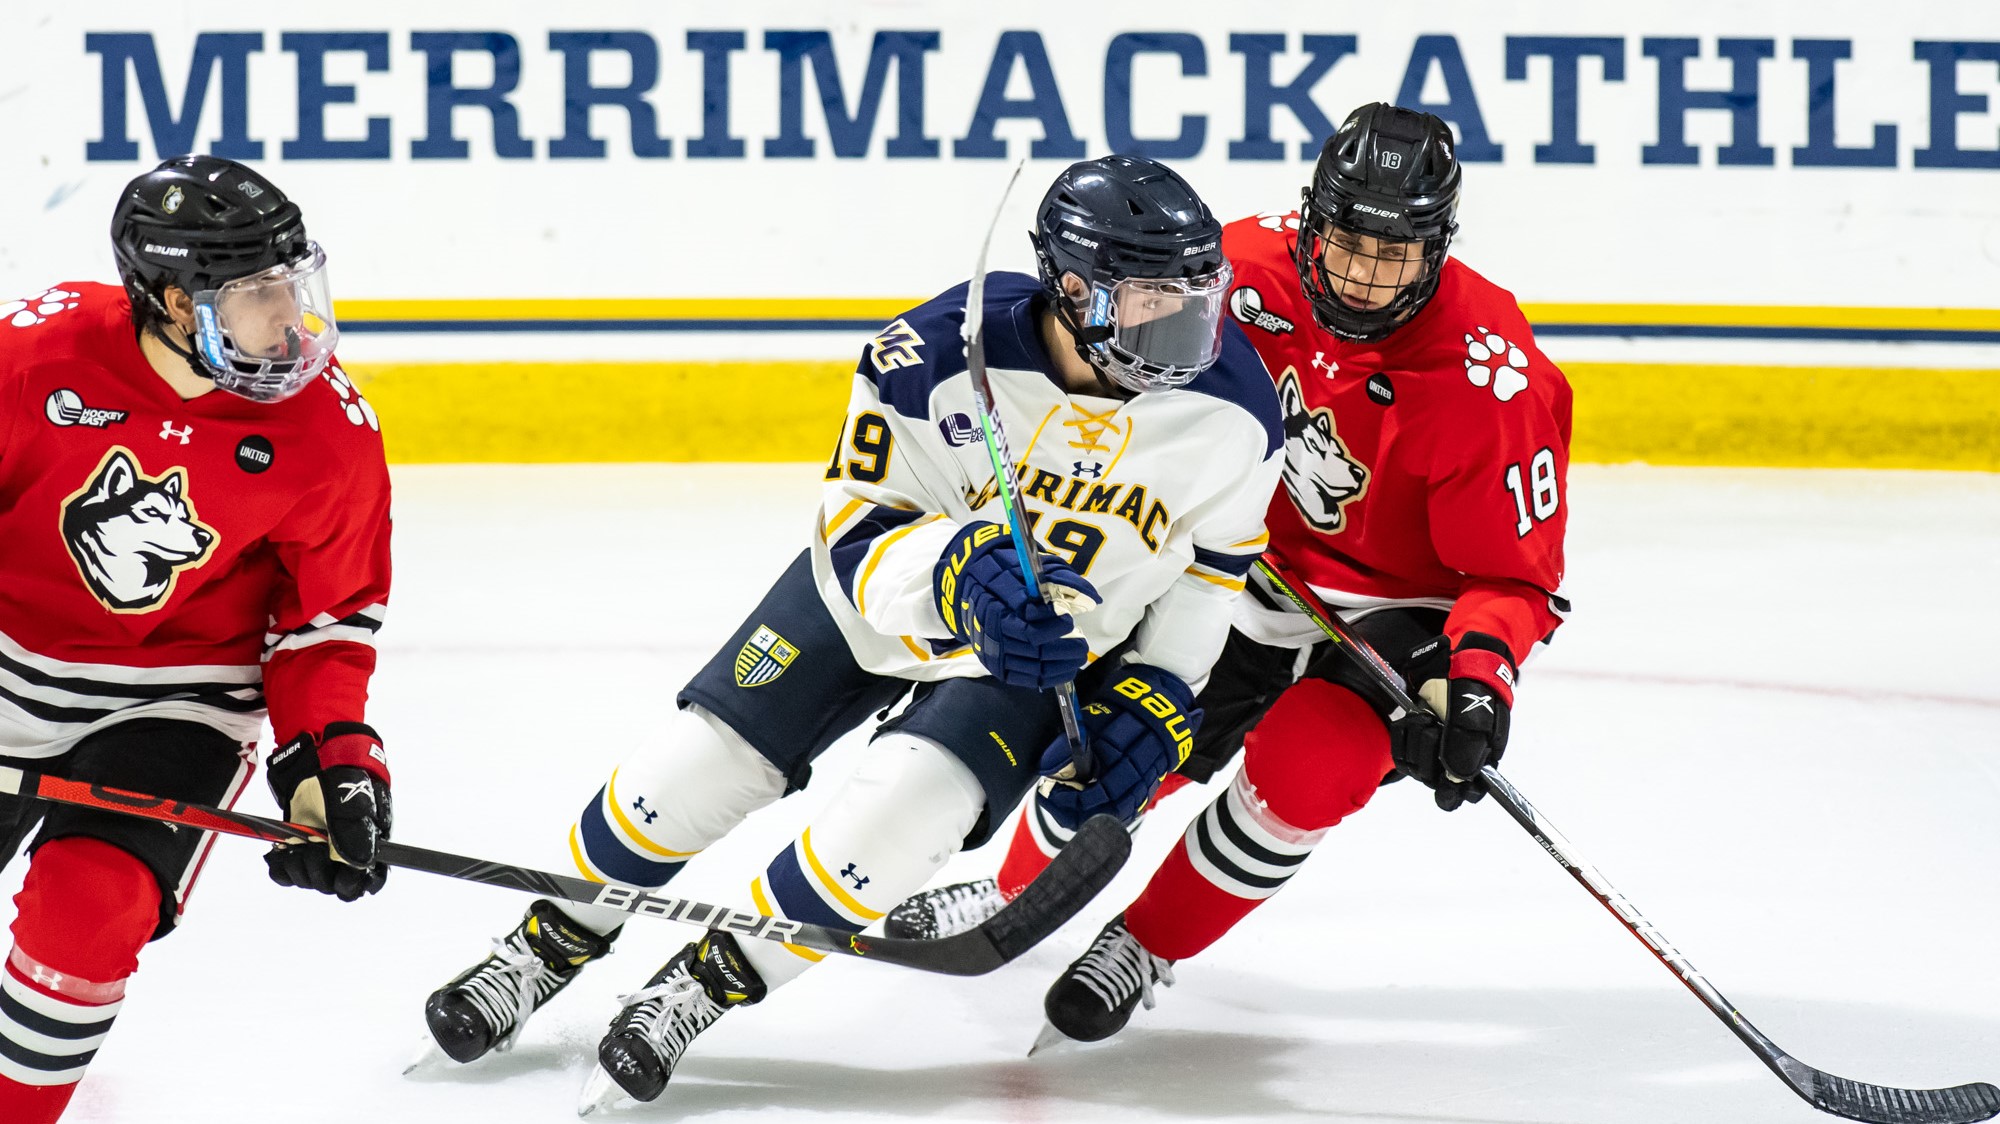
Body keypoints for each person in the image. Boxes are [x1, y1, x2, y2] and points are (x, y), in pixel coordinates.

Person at [416, 155, 1283, 1110]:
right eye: (1155, 303)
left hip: (1035, 650)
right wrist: (954, 573)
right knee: (687, 777)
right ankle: (543, 946)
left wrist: (1158, 690)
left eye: (1199, 302)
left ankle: (697, 989)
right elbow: (856, 530)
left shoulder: (1237, 411)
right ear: (1075, 291)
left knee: (897, 826)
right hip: (868, 601)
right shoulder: (931, 354)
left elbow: (1211, 576)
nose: (1187, 334)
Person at [886, 103, 1575, 1047]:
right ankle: (1012, 885)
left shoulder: (1492, 375)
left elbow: (1512, 577)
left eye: (1396, 254)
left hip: (1395, 608)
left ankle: (1145, 944)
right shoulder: (1229, 274)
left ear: (1439, 247)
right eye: (1346, 242)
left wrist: (1480, 687)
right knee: (1126, 732)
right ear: (1311, 217)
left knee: (1312, 760)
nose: (1366, 276)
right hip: (1236, 563)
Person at [0, 155, 393, 1122]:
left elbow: (325, 627)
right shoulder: (32, 361)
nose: (296, 323)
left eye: (296, 288)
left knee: (91, 912)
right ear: (176, 304)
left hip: (177, 703)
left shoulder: (330, 429)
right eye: (262, 297)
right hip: (7, 667)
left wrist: (327, 762)